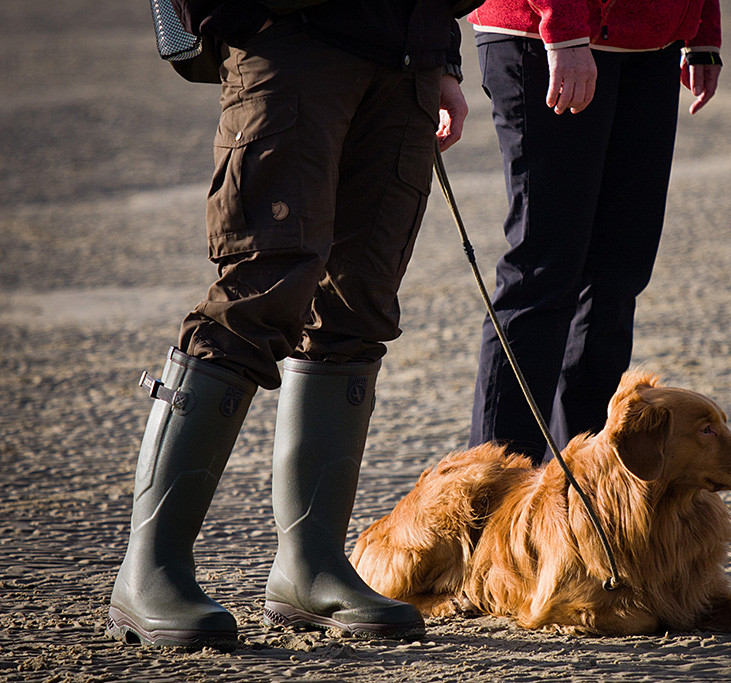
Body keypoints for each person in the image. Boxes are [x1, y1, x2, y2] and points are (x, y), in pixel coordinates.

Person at [106, 0, 471, 648]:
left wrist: (438, 53)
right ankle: (150, 570)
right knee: (258, 291)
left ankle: (311, 564)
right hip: (289, 34)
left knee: (358, 309)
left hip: (406, 54)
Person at [464, 0, 723, 465]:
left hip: (652, 42)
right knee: (544, 273)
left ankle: (578, 487)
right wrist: (563, 29)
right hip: (547, 33)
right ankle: (493, 493)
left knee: (617, 278)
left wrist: (701, 27)